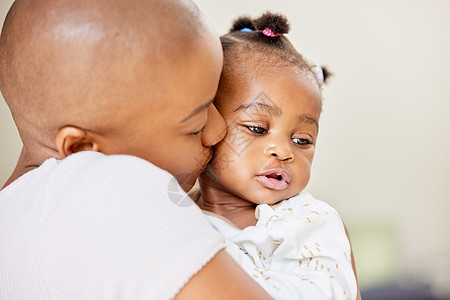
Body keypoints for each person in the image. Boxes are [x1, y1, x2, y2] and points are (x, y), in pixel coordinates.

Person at [0, 0, 272, 299]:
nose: (218, 130)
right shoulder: (109, 186)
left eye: (213, 102)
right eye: (194, 125)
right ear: (82, 150)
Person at [193, 12, 361, 299]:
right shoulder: (177, 214)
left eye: (302, 140)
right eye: (258, 128)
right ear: (206, 120)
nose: (283, 151)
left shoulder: (308, 222)